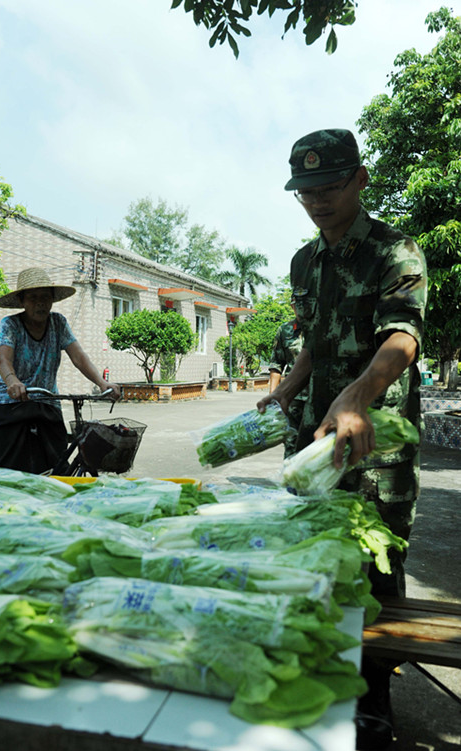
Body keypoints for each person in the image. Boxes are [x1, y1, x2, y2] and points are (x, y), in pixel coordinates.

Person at [257, 129, 427, 751]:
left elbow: (403, 335)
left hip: (377, 438)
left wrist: (358, 394)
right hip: (314, 437)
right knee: (314, 556)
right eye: (306, 191)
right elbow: (314, 341)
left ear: (358, 179)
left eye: (329, 186)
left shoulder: (394, 251)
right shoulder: (305, 261)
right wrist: (286, 388)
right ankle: (321, 680)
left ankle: (375, 696)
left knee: (378, 564)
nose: (317, 201)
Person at [0, 267, 121, 474]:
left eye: (45, 297)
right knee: (11, 463)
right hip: (6, 400)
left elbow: (78, 357)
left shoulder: (58, 322)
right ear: (22, 301)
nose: (40, 303)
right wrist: (12, 382)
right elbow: (4, 359)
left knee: (58, 457)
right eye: (33, 297)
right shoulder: (10, 324)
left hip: (45, 400)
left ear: (52, 300)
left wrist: (102, 382)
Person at [267, 296, 306, 457]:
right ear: (292, 306)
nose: (301, 308)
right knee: (291, 444)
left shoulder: (321, 326)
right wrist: (272, 397)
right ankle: (290, 479)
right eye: (297, 305)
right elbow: (276, 366)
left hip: (319, 395)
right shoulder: (285, 330)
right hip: (293, 398)